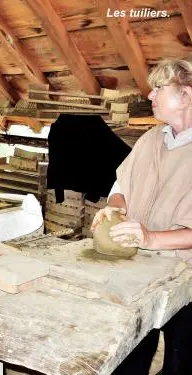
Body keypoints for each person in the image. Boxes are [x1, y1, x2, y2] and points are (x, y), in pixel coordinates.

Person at [91, 57, 192, 375]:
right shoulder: (151, 139)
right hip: (142, 270)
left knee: (181, 362)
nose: (150, 96)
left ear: (186, 94)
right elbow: (121, 185)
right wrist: (115, 208)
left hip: (187, 277)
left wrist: (150, 238)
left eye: (158, 89)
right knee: (128, 356)